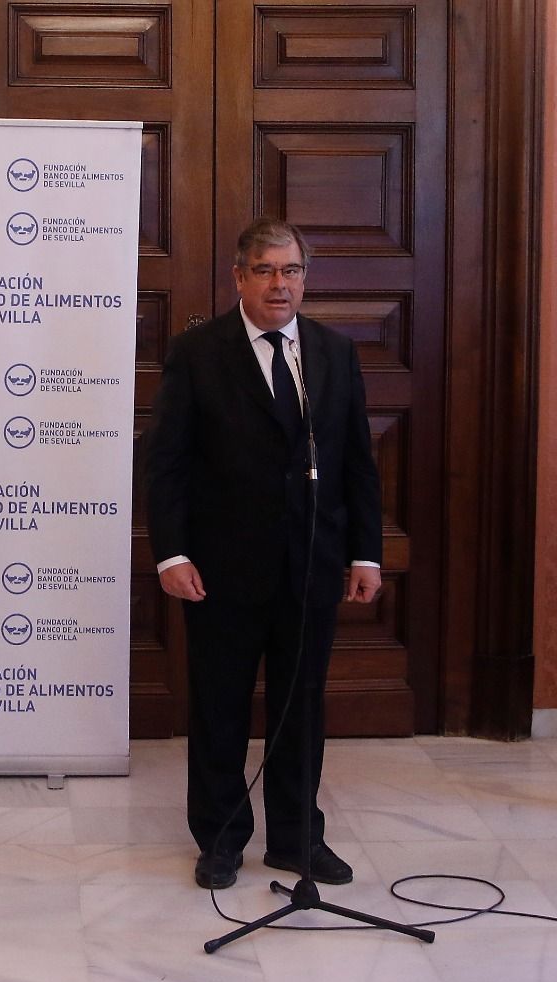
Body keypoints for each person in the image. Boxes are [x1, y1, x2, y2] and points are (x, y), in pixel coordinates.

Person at [142, 217, 382, 890]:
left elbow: (357, 463)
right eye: (267, 271)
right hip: (221, 567)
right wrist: (171, 554)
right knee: (218, 706)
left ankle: (297, 838)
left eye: (293, 271)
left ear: (306, 279)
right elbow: (167, 465)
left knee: (300, 707)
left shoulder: (333, 352)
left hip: (311, 563)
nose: (281, 285)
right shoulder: (199, 352)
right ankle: (220, 839)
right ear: (239, 277)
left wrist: (365, 552)